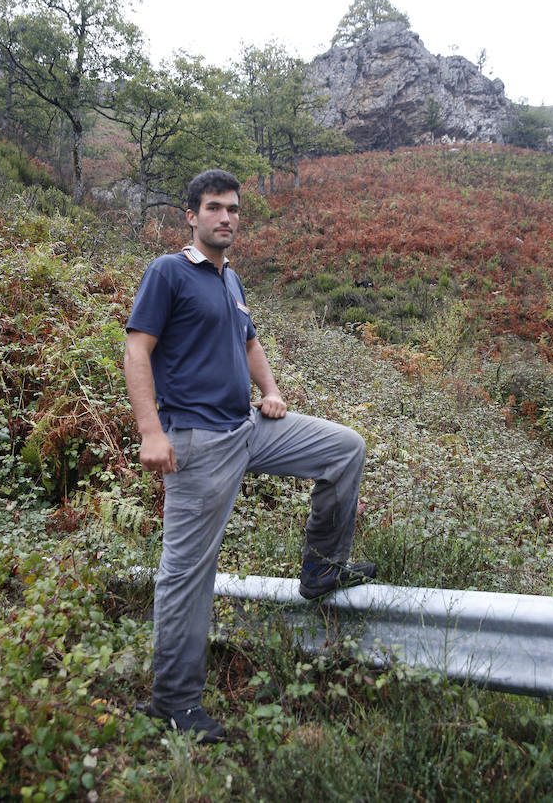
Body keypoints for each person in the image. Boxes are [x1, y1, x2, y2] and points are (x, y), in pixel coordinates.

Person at [124, 168, 375, 743]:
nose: (226, 218)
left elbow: (248, 340)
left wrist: (271, 391)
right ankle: (173, 703)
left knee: (343, 449)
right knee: (187, 574)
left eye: (233, 209)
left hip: (248, 427)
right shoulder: (169, 272)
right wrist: (150, 431)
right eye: (214, 208)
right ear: (191, 215)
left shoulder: (230, 281)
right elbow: (137, 349)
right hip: (197, 441)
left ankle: (322, 569)